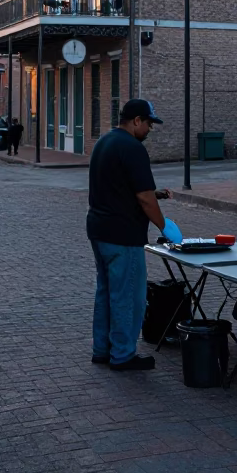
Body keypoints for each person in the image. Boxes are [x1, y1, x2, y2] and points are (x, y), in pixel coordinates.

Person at [87, 99, 171, 371]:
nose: (150, 129)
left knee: (106, 292)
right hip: (123, 235)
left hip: (99, 230)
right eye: (148, 123)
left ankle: (102, 349)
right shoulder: (133, 148)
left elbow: (116, 185)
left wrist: (153, 194)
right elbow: (145, 200)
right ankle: (123, 355)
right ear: (136, 120)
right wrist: (164, 227)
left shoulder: (104, 142)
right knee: (127, 296)